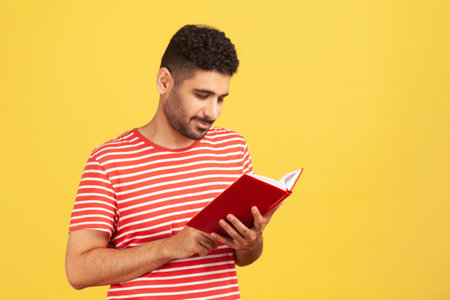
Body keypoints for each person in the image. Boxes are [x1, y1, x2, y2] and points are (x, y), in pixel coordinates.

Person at [65, 24, 281, 300]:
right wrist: (169, 246)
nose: (212, 112)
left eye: (221, 99)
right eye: (201, 95)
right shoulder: (109, 161)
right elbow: (78, 270)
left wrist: (252, 243)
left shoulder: (233, 149)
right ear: (164, 82)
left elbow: (243, 258)